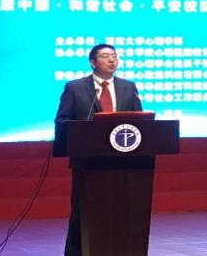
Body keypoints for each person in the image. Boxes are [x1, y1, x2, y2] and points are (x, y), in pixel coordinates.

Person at [54, 43, 142, 256]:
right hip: (87, 162)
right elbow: (62, 120)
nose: (112, 60)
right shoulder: (75, 87)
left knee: (122, 211)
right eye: (105, 56)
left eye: (115, 56)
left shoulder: (129, 87)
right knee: (83, 212)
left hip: (123, 162)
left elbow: (140, 123)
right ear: (93, 62)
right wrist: (85, 132)